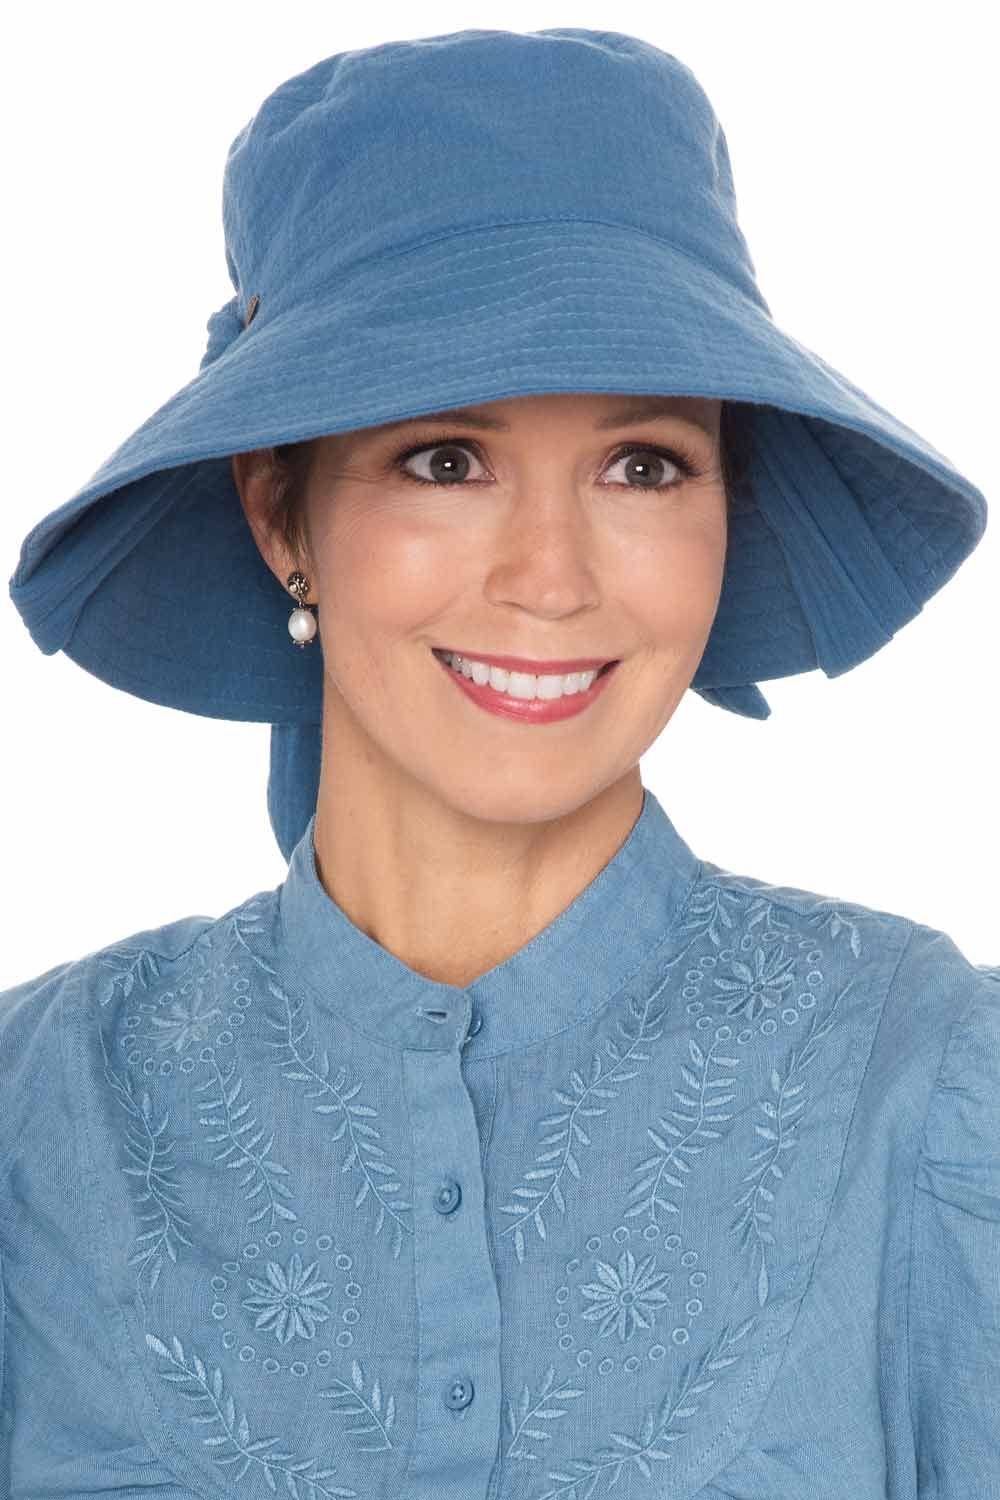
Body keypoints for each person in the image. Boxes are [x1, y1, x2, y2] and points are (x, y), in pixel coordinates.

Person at [2, 27, 996, 1500]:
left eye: (643, 465)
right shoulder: (40, 1114)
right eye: (446, 461)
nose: (550, 577)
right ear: (279, 515)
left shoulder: (928, 1083)